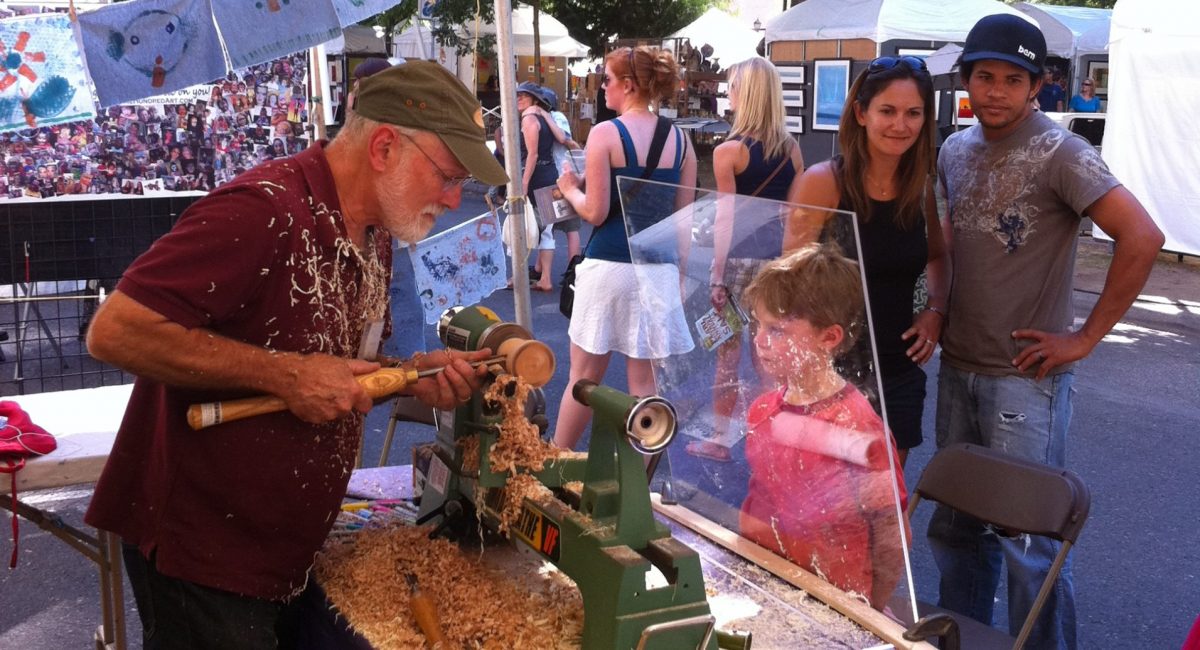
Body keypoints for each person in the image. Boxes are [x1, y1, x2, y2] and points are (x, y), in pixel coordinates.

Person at [82, 60, 509, 650]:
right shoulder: (263, 211)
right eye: (448, 175)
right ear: (384, 147)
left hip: (284, 547)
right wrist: (285, 375)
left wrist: (409, 378)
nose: (455, 197)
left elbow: (340, 364)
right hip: (205, 555)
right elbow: (116, 331)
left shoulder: (372, 229)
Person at [930, 15, 1163, 649]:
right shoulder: (954, 149)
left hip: (1024, 383)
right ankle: (963, 639)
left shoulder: (1063, 152)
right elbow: (945, 249)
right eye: (985, 77)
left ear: (1039, 86)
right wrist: (932, 307)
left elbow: (1142, 238)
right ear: (967, 80)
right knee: (956, 527)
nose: (996, 92)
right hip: (958, 367)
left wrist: (1085, 338)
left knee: (1028, 543)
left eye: (1013, 79)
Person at [783, 54, 949, 467]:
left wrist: (935, 310)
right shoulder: (824, 182)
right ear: (861, 112)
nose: (900, 125)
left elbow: (939, 257)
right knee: (822, 505)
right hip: (831, 372)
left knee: (883, 502)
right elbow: (787, 279)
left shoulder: (919, 189)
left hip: (899, 372)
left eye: (914, 113)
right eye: (887, 111)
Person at [737, 244, 908, 611]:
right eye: (758, 325)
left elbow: (891, 537)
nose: (759, 341)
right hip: (764, 581)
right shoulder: (763, 411)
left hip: (834, 600)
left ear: (829, 338)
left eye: (777, 331)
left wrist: (871, 610)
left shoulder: (858, 431)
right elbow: (760, 499)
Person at [552, 45, 698, 449]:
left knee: (583, 379)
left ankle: (556, 463)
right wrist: (679, 276)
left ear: (628, 86)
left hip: (609, 266)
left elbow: (595, 213)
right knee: (646, 387)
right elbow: (680, 222)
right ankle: (638, 478)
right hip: (659, 270)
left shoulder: (604, 134)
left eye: (608, 80)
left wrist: (568, 189)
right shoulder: (682, 142)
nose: (603, 88)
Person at [689, 57, 805, 463]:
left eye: (733, 87)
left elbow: (726, 219)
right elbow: (794, 214)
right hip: (777, 264)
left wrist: (717, 273)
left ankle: (720, 440)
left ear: (747, 95)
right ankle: (770, 441)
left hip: (739, 262)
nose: (728, 94)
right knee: (768, 358)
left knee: (727, 354)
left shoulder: (729, 152)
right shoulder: (791, 150)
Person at [516, 81, 564, 291]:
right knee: (548, 231)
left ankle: (518, 277)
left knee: (520, 228)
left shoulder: (528, 119)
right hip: (551, 175)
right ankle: (545, 278)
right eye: (517, 95)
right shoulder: (545, 117)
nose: (518, 99)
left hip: (536, 178)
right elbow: (562, 138)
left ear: (534, 99)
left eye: (523, 96)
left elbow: (532, 155)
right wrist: (544, 114)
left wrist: (524, 183)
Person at [333, 57, 392, 126]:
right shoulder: (365, 108)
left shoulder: (379, 115)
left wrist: (350, 112)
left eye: (359, 80)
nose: (355, 84)